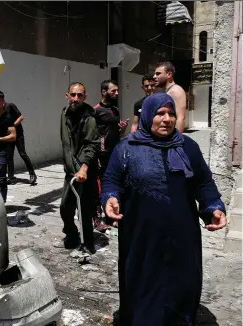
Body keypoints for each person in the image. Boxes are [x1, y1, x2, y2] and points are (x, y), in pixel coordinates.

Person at [102, 93, 227, 325]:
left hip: (182, 235)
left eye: (171, 113)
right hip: (141, 236)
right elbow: (111, 180)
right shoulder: (127, 148)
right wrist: (110, 198)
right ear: (149, 116)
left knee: (181, 281)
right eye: (160, 113)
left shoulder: (187, 146)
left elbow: (203, 183)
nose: (167, 119)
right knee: (143, 282)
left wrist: (213, 207)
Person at [56, 82, 101, 252]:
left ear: (85, 97)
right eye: (73, 95)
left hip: (84, 171)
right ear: (67, 96)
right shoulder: (64, 113)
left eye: (80, 95)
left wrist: (84, 167)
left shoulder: (90, 118)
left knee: (84, 210)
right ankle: (72, 236)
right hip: (70, 172)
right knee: (65, 208)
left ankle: (88, 244)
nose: (76, 99)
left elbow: (91, 145)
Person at [93, 80, 128, 230]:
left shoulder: (115, 110)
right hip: (101, 154)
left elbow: (118, 133)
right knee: (99, 185)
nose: (117, 93)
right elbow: (93, 133)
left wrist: (122, 129)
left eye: (117, 90)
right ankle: (97, 218)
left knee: (115, 183)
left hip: (115, 153)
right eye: (113, 91)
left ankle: (112, 215)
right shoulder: (96, 110)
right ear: (103, 91)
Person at [0, 91, 37, 185]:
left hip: (18, 134)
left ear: (3, 101)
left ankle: (32, 174)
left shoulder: (10, 106)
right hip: (8, 136)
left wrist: (12, 125)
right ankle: (11, 177)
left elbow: (21, 117)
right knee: (9, 156)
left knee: (22, 154)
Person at [153, 61, 187, 132]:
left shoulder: (176, 90)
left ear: (169, 74)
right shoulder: (168, 91)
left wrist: (176, 140)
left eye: (158, 74)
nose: (154, 77)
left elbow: (181, 118)